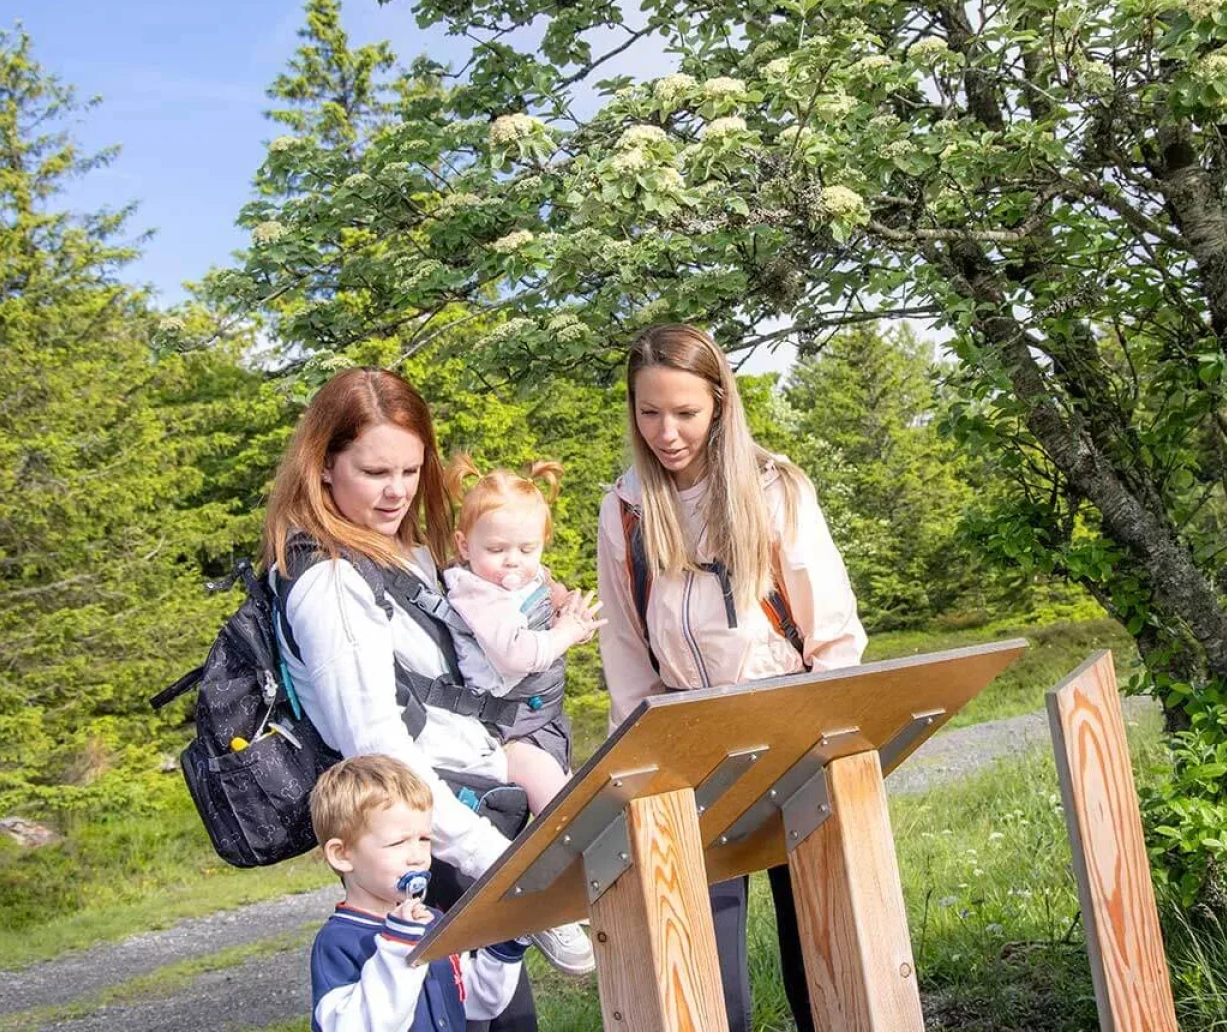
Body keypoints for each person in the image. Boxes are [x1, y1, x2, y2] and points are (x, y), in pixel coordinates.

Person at [264, 367, 594, 1032]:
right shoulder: (329, 584)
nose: (396, 492)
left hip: (462, 833)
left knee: (501, 1016)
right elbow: (377, 749)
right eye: (374, 471)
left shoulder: (399, 553)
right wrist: (497, 865)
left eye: (411, 472)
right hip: (434, 851)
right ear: (323, 466)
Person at [595, 324, 867, 1032]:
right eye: (648, 412)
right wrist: (643, 758)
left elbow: (833, 631)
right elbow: (626, 651)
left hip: (790, 722)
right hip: (691, 739)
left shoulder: (775, 488)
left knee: (818, 932)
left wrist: (830, 742)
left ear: (719, 403)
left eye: (684, 412)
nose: (666, 431)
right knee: (703, 951)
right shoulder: (625, 509)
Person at [308, 754, 529, 1032]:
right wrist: (398, 946)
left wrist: (502, 947)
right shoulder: (338, 942)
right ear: (342, 855)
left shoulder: (432, 921)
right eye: (398, 842)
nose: (417, 857)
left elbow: (472, 1002)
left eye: (424, 839)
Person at [441, 457, 606, 815]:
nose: (513, 561)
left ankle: (579, 867)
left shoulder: (533, 577)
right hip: (510, 733)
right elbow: (517, 654)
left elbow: (552, 599)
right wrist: (566, 633)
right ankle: (561, 867)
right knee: (565, 817)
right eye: (496, 550)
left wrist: (571, 614)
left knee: (580, 803)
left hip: (545, 719)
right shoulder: (476, 593)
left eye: (527, 549)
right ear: (465, 545)